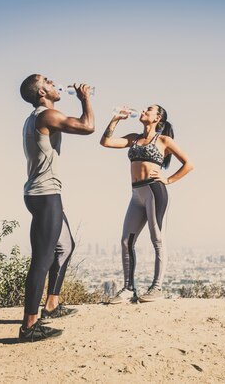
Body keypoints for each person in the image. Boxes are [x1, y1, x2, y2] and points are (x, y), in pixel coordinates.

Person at [18, 74, 95, 342]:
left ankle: (51, 303)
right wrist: (85, 98)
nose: (54, 83)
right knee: (42, 259)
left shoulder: (35, 118)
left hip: (43, 194)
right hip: (46, 195)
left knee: (66, 246)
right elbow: (87, 127)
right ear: (41, 92)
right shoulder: (46, 115)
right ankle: (29, 326)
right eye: (48, 81)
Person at [100, 104, 193, 303]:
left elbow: (189, 164)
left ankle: (156, 288)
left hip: (154, 192)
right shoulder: (134, 138)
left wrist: (168, 180)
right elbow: (106, 142)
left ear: (158, 118)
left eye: (148, 109)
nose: (143, 111)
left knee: (157, 240)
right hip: (136, 195)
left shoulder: (164, 140)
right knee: (126, 241)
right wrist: (115, 120)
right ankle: (128, 289)